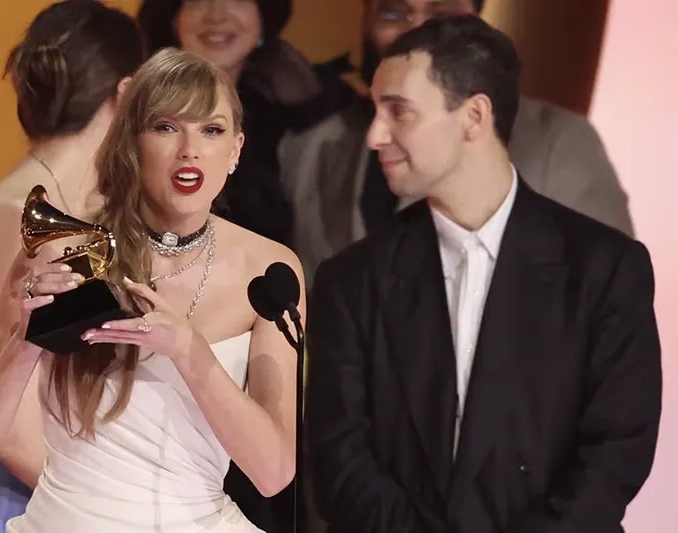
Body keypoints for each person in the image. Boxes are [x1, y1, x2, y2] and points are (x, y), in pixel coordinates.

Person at [305, 15, 661, 533]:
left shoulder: (606, 267)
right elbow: (340, 462)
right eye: (374, 111)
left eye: (398, 111)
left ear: (474, 115)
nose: (375, 136)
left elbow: (616, 451)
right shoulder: (352, 279)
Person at [0, 46, 304, 533]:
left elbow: (273, 474)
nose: (189, 149)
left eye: (211, 129)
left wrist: (188, 352)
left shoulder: (270, 268)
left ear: (236, 150)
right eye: (165, 127)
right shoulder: (63, 251)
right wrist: (28, 340)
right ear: (131, 144)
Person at [137, 2, 353, 528]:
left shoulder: (310, 108)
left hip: (262, 331)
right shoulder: (129, 111)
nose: (217, 14)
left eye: (212, 131)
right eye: (168, 128)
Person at [0, 2, 145, 531]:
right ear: (124, 96)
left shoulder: (29, 205)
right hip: (31, 509)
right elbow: (12, 429)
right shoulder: (24, 217)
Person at [280, 0, 635, 289]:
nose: (415, 30)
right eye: (393, 12)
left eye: (440, 14)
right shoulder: (315, 143)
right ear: (365, 22)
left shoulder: (559, 143)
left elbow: (607, 300)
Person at [138, 0, 356, 249]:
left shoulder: (296, 116)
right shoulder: (136, 103)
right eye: (197, 1)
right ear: (174, 19)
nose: (216, 17)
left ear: (263, 20)